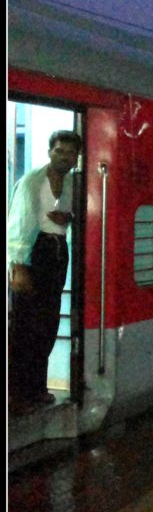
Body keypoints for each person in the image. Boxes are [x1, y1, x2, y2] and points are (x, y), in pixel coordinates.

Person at [7, 129, 82, 414]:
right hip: (33, 254)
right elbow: (17, 226)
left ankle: (36, 389)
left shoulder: (74, 182)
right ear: (49, 151)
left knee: (48, 325)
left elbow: (76, 214)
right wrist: (18, 266)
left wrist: (69, 217)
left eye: (70, 153)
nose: (64, 157)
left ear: (77, 157)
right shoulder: (32, 182)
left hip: (57, 253)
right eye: (59, 151)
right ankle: (16, 395)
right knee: (25, 327)